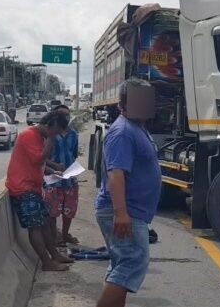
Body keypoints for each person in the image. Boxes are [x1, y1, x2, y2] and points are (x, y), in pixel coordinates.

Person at [95, 78, 161, 307]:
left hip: (133, 211)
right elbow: (116, 175)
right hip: (126, 211)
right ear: (124, 103)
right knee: (131, 263)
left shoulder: (137, 128)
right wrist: (121, 213)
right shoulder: (122, 132)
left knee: (122, 266)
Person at [6, 111, 75, 271]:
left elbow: (38, 164)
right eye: (55, 131)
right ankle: (46, 262)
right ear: (48, 124)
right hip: (22, 188)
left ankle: (54, 254)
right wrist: (50, 141)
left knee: (44, 223)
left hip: (33, 188)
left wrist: (52, 171)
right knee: (35, 227)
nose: (55, 135)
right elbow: (38, 159)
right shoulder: (29, 136)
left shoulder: (38, 137)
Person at [43, 104, 80, 246]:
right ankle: (55, 236)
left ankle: (64, 235)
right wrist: (54, 167)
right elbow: (42, 157)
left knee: (69, 210)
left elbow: (74, 154)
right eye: (61, 115)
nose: (65, 117)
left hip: (70, 179)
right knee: (52, 211)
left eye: (67, 114)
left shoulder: (74, 134)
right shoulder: (50, 134)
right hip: (53, 180)